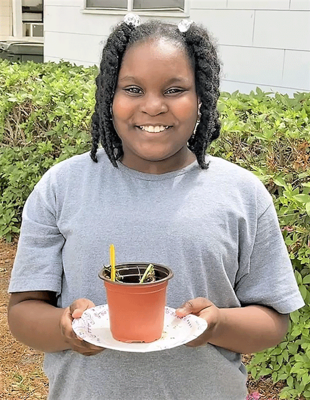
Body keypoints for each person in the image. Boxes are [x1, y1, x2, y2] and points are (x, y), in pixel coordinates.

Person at [8, 14, 304, 400]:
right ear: (108, 98)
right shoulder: (62, 187)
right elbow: (23, 312)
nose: (152, 106)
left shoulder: (242, 194)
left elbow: (273, 319)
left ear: (201, 98)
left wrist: (215, 326)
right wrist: (66, 328)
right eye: (132, 88)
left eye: (174, 89)